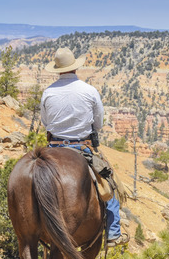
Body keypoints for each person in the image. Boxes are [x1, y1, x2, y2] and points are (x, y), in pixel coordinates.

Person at [41, 47, 129, 247]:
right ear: (75, 67)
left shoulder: (48, 92)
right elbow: (98, 124)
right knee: (108, 185)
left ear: (57, 69)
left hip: (52, 148)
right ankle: (114, 233)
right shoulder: (89, 91)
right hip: (81, 148)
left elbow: (45, 122)